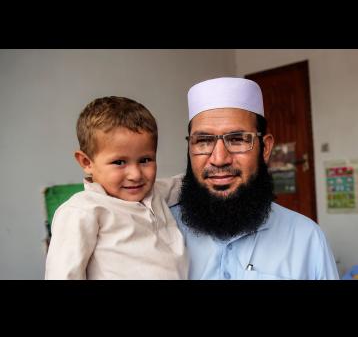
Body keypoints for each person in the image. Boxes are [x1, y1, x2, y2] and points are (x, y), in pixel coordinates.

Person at [170, 77, 339, 279]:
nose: (219, 159)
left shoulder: (306, 238)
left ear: (265, 148)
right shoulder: (162, 229)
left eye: (237, 139)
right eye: (204, 141)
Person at [45, 96, 188, 279]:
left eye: (145, 160)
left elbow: (186, 184)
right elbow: (63, 275)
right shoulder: (82, 211)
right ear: (86, 162)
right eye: (119, 162)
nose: (135, 175)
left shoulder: (155, 192)